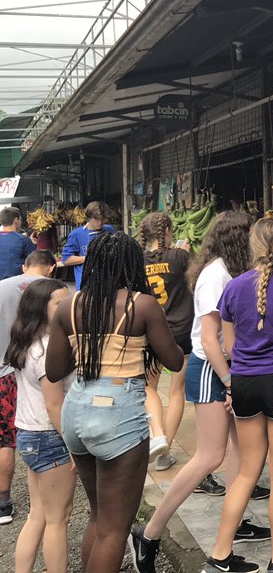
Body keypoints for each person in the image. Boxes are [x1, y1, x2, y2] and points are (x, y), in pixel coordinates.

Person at [130, 212, 271, 573]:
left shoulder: (226, 270)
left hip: (225, 369)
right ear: (239, 239)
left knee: (242, 451)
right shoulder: (216, 275)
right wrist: (229, 381)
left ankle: (236, 523)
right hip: (211, 371)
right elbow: (209, 340)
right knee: (210, 457)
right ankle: (149, 532)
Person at [45, 232, 184, 573]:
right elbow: (174, 361)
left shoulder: (69, 306)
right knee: (114, 529)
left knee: (98, 516)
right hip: (118, 413)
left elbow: (54, 371)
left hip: (76, 408)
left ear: (91, 264)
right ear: (133, 265)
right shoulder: (143, 305)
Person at [203, 218, 273, 573]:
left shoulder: (233, 289)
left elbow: (232, 346)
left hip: (244, 385)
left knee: (245, 473)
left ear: (253, 248)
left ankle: (221, 554)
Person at [6, 279, 73, 573]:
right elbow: (54, 404)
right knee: (59, 517)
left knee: (38, 515)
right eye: (59, 303)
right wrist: (73, 445)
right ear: (40, 308)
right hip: (50, 436)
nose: (68, 307)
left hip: (29, 434)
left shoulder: (28, 343)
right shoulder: (48, 349)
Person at [0, 250, 58, 525]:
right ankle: (9, 501)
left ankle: (4, 502)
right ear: (51, 267)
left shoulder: (1, 287)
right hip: (32, 371)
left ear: (24, 266)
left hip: (6, 368)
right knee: (34, 428)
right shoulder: (49, 293)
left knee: (6, 440)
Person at [138, 211, 194, 469]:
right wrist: (185, 251)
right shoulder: (180, 256)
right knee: (177, 391)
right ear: (168, 231)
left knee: (149, 387)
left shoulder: (137, 261)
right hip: (182, 332)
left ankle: (157, 433)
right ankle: (164, 454)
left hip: (152, 333)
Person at [61, 201, 115, 290]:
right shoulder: (76, 234)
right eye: (97, 219)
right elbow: (66, 260)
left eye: (103, 219)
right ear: (89, 217)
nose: (100, 222)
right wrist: (90, 258)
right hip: (86, 285)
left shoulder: (110, 230)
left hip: (108, 283)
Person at [0, 208, 36, 280]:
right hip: (16, 284)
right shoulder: (23, 240)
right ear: (16, 220)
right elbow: (34, 262)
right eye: (20, 220)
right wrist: (33, 243)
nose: (21, 222)